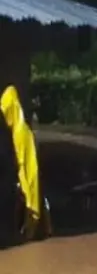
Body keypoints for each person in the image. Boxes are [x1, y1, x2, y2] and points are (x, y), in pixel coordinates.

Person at [0, 85, 50, 240]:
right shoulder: (17, 130)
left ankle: (31, 230)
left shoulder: (20, 132)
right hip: (25, 175)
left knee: (30, 201)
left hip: (25, 176)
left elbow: (22, 162)